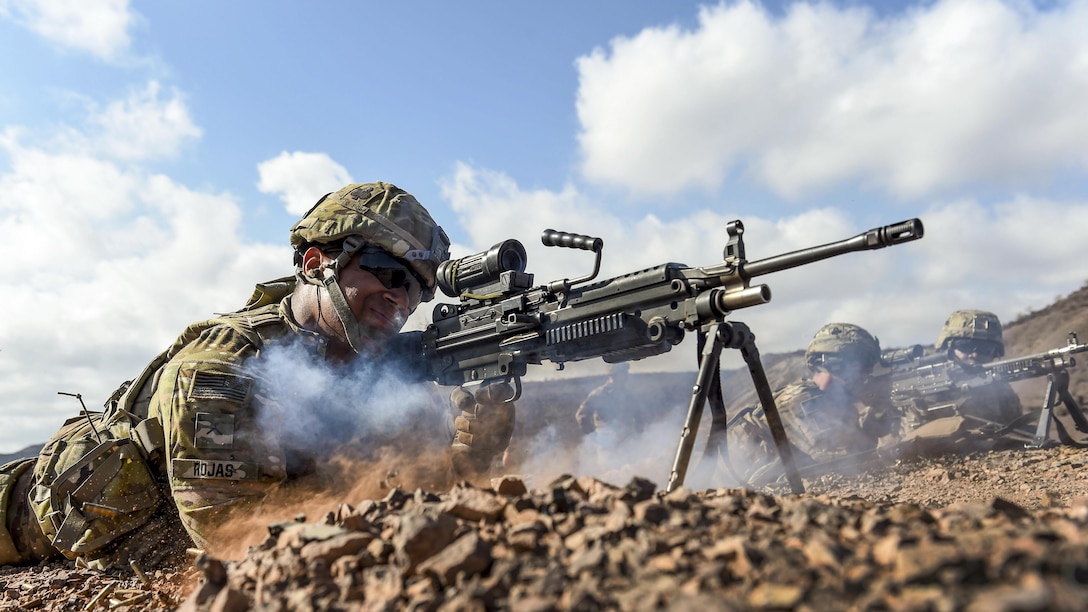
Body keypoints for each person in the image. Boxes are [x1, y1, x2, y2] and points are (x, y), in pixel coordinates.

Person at [0, 182, 515, 570]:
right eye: (387, 272)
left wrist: (467, 461)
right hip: (22, 517)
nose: (400, 297)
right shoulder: (224, 366)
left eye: (417, 290)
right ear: (317, 263)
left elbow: (401, 500)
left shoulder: (376, 376)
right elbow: (236, 539)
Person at [726, 322, 895, 486]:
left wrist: (877, 415)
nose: (867, 374)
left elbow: (854, 451)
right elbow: (836, 460)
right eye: (860, 366)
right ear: (833, 363)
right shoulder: (800, 398)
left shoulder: (839, 407)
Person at [895, 309, 1023, 438]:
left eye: (985, 348)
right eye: (966, 346)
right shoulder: (920, 385)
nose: (975, 355)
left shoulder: (999, 389)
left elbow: (1016, 429)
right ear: (948, 348)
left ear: (995, 352)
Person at [575, 362, 638, 442]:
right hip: (607, 443)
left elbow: (639, 415)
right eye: (623, 373)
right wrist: (593, 436)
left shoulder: (628, 395)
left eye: (626, 373)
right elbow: (582, 415)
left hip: (627, 442)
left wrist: (638, 433)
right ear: (613, 375)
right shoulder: (599, 394)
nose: (626, 376)